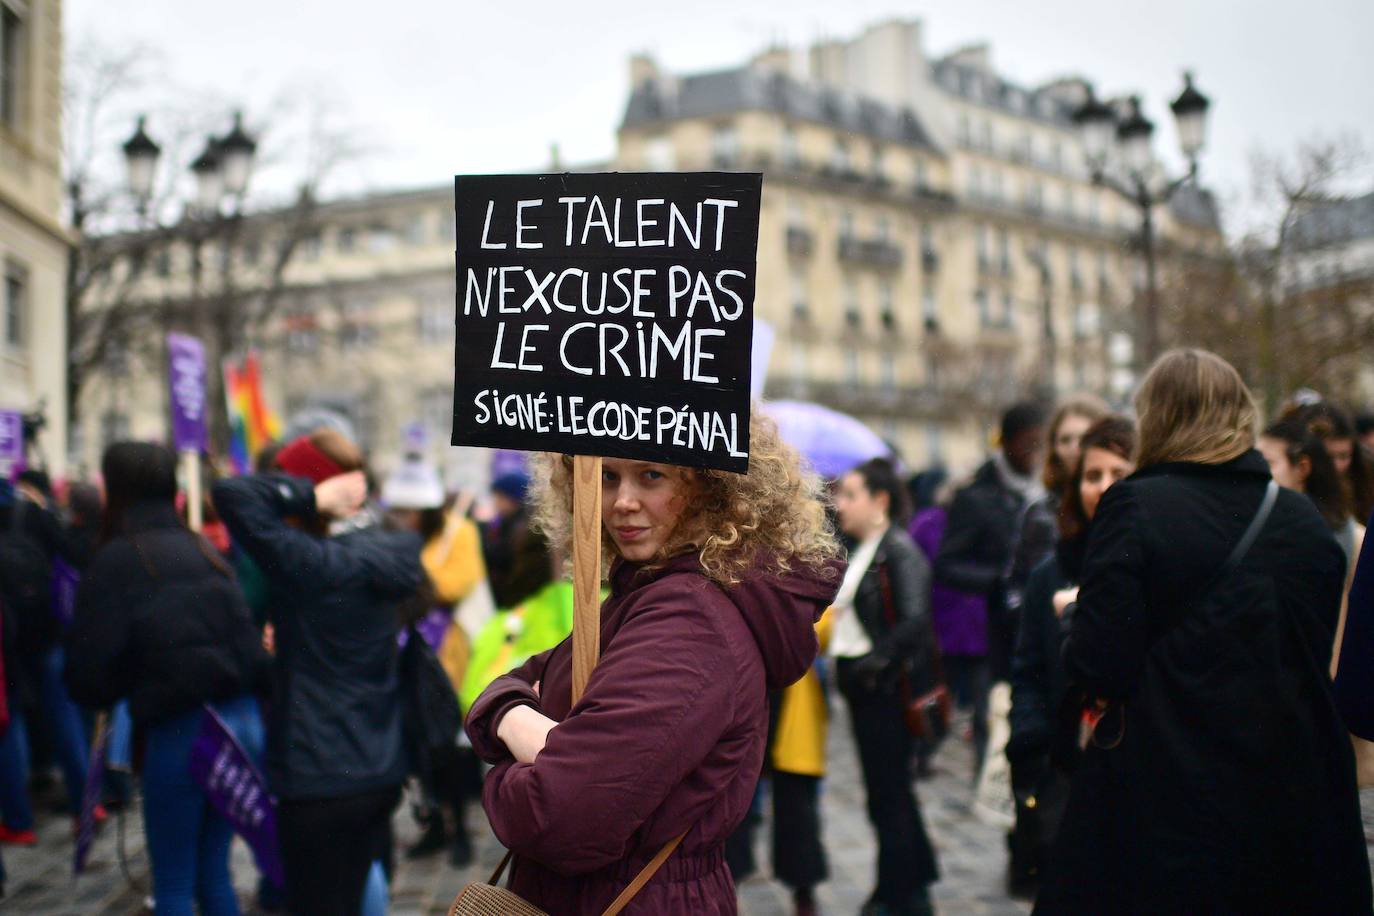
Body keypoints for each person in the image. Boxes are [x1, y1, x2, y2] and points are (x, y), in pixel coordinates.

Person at [1036, 349, 1371, 913]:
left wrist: (1072, 616)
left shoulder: (1134, 506)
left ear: (1156, 417)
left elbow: (1100, 665)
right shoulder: (1303, 520)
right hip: (1290, 799)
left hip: (1169, 799)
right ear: (1240, 415)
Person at [465, 414, 841, 914]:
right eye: (606, 476)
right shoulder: (643, 589)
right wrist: (519, 717)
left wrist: (509, 754)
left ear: (712, 489)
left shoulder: (688, 619)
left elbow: (560, 817)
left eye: (651, 476)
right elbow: (515, 681)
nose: (622, 501)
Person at [213, 428, 424, 916]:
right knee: (354, 893)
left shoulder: (312, 561)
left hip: (318, 773)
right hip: (378, 764)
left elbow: (231, 494)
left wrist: (309, 494)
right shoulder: (391, 546)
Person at [64, 442, 269, 916]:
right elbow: (248, 652)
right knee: (213, 872)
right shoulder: (203, 549)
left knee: (174, 883)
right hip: (235, 729)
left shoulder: (117, 559)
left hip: (178, 732)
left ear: (114, 489)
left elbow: (88, 677)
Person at [1006, 416, 1135, 897]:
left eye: (1118, 474)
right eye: (1092, 475)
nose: (1102, 488)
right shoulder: (1050, 570)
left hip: (1130, 770)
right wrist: (1031, 745)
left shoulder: (1153, 564)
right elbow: (1029, 669)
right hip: (1064, 766)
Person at [832, 458, 942, 916]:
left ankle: (897, 892)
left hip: (885, 693)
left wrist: (872, 665)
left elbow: (916, 621)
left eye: (850, 495)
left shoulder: (897, 550)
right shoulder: (866, 548)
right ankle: (913, 880)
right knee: (887, 792)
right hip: (868, 691)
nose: (840, 504)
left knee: (888, 793)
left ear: (880, 501)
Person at [382, 456, 487, 867]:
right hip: (411, 654)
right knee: (422, 745)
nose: (404, 519)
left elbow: (461, 579)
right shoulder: (399, 538)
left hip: (450, 653)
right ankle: (435, 827)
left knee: (452, 746)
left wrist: (418, 578)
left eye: (410, 512)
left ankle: (459, 831)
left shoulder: (458, 533)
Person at [934, 402, 1047, 768]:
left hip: (1044, 624)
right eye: (1030, 444)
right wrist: (1000, 580)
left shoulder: (1050, 493)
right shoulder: (976, 497)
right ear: (1009, 443)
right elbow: (947, 565)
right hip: (994, 633)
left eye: (1041, 445)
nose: (1036, 454)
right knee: (994, 719)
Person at [0, 472, 87, 844]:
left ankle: (19, 822)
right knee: (63, 711)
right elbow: (72, 554)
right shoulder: (32, 510)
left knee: (9, 720)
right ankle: (87, 802)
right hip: (45, 628)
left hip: (6, 638)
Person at [1288, 400, 1374, 523]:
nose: (1336, 466)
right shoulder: (1290, 491)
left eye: (1343, 456)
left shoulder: (1364, 482)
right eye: (1328, 457)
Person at [481, 471, 554, 609]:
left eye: (499, 497)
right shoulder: (508, 522)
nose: (495, 502)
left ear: (512, 498)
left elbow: (507, 556)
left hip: (522, 602)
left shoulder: (525, 526)